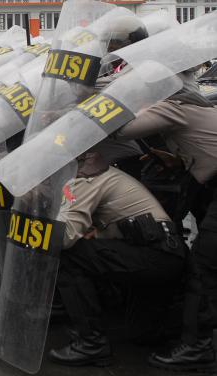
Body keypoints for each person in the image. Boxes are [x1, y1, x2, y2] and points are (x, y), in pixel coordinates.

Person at [114, 75, 217, 372]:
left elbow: (120, 130)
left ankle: (197, 347)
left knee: (204, 264)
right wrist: (177, 160)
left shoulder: (171, 107)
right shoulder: (195, 106)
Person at [49, 153, 187, 367]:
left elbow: (64, 237)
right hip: (158, 254)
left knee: (70, 255)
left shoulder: (86, 177)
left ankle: (91, 342)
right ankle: (184, 314)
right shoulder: (97, 170)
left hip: (156, 254)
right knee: (141, 334)